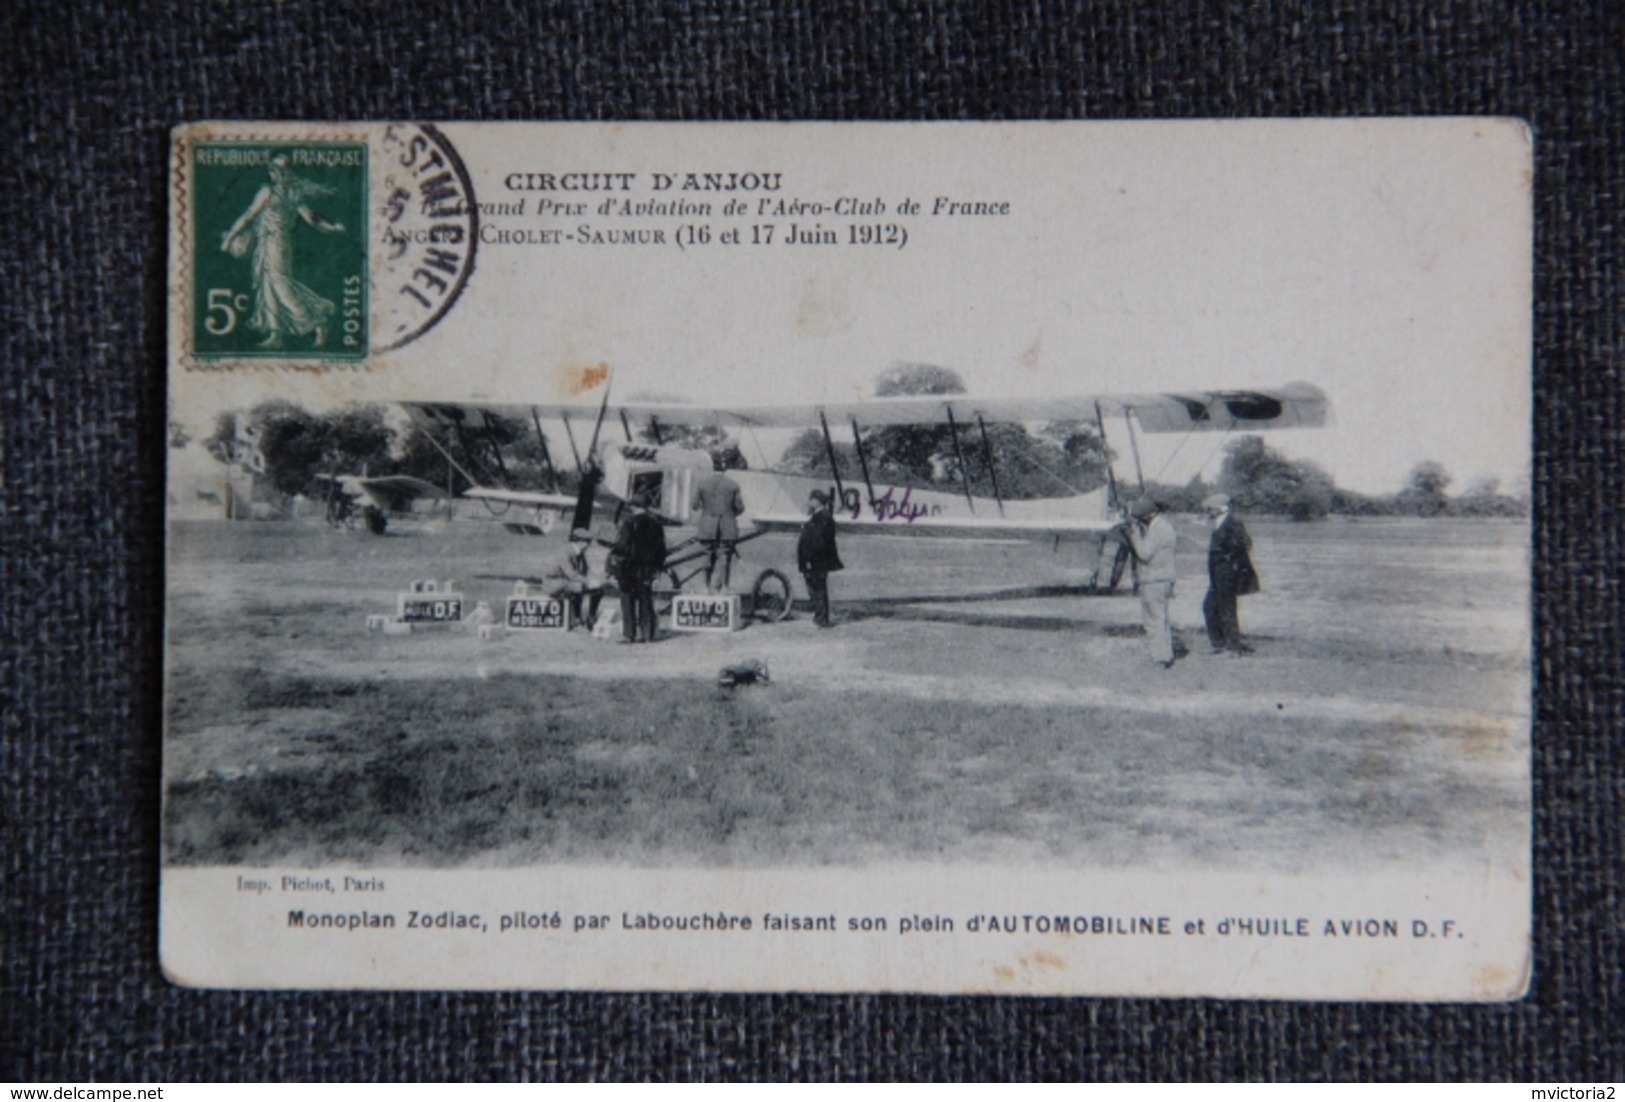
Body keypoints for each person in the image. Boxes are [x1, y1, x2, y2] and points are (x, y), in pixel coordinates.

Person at [220, 155, 346, 349]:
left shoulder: (269, 191)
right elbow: (312, 219)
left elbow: (249, 215)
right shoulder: (292, 193)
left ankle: (317, 323)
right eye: (271, 170)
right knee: (267, 285)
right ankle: (275, 334)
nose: (272, 173)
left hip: (275, 242)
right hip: (269, 242)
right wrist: (333, 228)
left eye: (275, 170)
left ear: (283, 173)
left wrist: (229, 238)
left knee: (280, 285)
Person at [1122, 496, 1179, 668]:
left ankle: (1159, 659)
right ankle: (1164, 655)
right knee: (1160, 619)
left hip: (1155, 580)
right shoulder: (1161, 526)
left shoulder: (1158, 529)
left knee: (1154, 620)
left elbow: (1144, 553)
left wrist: (1133, 534)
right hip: (1161, 579)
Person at [1201, 493, 1259, 655]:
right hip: (1217, 572)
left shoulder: (1233, 522)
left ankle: (1233, 646)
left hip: (1227, 572)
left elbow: (1245, 543)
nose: (1208, 512)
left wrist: (1226, 553)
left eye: (1210, 509)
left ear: (1221, 508)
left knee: (1226, 608)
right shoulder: (1219, 522)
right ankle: (1219, 643)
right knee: (1209, 607)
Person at [613, 496, 667, 643]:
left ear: (634, 507)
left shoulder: (629, 523)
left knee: (627, 600)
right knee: (645, 600)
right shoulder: (656, 524)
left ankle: (629, 634)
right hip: (647, 569)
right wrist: (657, 567)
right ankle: (647, 634)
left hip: (629, 568)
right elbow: (661, 550)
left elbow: (621, 546)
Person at [690, 453, 746, 592]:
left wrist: (707, 511)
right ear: (725, 466)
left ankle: (705, 587)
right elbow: (740, 508)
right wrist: (729, 514)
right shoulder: (733, 485)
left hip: (707, 526)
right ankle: (724, 588)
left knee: (707, 555)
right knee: (724, 557)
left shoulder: (702, 484)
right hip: (727, 526)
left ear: (712, 466)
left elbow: (694, 505)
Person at [797, 489, 843, 628]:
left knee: (817, 589)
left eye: (811, 500)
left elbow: (817, 540)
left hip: (816, 559)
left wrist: (810, 559)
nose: (809, 502)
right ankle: (819, 617)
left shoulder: (822, 517)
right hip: (816, 559)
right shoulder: (821, 516)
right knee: (815, 588)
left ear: (816, 501)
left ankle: (821, 619)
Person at [538, 528, 595, 628]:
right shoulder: (565, 552)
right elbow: (571, 574)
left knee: (594, 590)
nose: (589, 545)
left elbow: (584, 571)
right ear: (580, 541)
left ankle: (586, 619)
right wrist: (589, 582)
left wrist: (592, 580)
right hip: (553, 582)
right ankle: (578, 619)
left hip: (564, 581)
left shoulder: (579, 553)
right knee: (580, 587)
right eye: (588, 542)